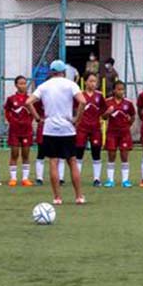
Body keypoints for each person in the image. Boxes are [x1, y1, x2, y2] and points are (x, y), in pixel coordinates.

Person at [26, 59, 87, 205]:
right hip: (67, 129)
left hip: (50, 128)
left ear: (51, 72)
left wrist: (37, 118)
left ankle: (57, 197)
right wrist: (77, 119)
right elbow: (83, 101)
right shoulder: (70, 84)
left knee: (53, 161)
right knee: (72, 161)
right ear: (64, 72)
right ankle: (79, 196)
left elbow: (28, 102)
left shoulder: (44, 86)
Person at [75, 72, 106, 187]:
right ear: (85, 81)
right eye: (91, 81)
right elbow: (74, 108)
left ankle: (97, 179)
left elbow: (103, 111)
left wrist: (106, 114)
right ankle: (77, 177)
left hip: (95, 128)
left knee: (96, 153)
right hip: (82, 128)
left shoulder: (99, 96)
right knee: (79, 153)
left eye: (95, 81)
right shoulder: (80, 95)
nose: (93, 84)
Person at [103, 80, 135, 188]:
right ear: (114, 90)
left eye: (122, 89)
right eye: (118, 89)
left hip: (124, 133)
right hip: (112, 133)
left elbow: (133, 115)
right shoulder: (107, 102)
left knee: (124, 156)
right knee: (111, 155)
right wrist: (107, 113)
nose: (121, 91)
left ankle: (125, 180)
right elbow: (103, 117)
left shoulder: (128, 103)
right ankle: (110, 180)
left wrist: (129, 123)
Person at [4, 76, 34, 187]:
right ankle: (13, 178)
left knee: (26, 154)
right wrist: (11, 120)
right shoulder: (11, 98)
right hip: (14, 130)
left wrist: (29, 121)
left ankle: (25, 179)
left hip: (26, 130)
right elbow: (7, 111)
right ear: (16, 85)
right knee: (14, 154)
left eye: (24, 83)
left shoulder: (30, 98)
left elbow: (33, 112)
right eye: (20, 83)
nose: (23, 85)